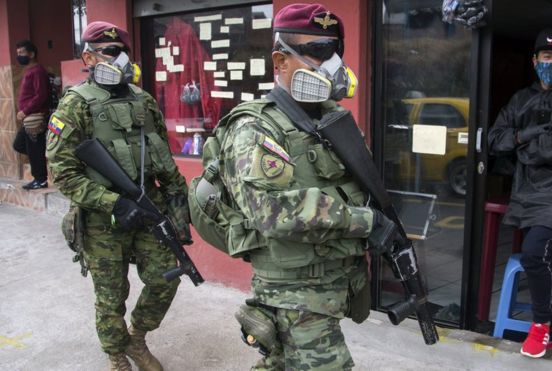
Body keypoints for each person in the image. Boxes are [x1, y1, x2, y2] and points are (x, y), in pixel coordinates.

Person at [202, 3, 401, 370]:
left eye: (336, 51)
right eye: (319, 53)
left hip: (333, 280)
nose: (332, 64)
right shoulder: (256, 128)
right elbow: (270, 212)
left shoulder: (334, 119)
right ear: (280, 62)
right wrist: (364, 222)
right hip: (291, 291)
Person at [46, 21, 192, 371]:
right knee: (111, 296)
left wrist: (179, 210)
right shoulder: (76, 105)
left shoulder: (142, 101)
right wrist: (113, 202)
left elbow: (163, 158)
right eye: (112, 53)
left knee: (164, 279)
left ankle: (136, 338)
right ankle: (116, 355)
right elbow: (63, 173)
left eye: (124, 52)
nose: (121, 60)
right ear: (89, 57)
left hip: (148, 210)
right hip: (101, 219)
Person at [488, 28, 552, 358]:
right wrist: (524, 135)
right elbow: (493, 139)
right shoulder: (522, 98)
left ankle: (542, 325)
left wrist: (519, 147)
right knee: (546, 255)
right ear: (535, 60)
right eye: (547, 56)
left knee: (536, 250)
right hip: (527, 189)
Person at [14, 40, 50, 190]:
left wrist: (25, 111)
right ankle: (41, 160)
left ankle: (40, 179)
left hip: (35, 118)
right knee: (20, 144)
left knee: (35, 149)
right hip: (28, 119)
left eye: (22, 52)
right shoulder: (29, 70)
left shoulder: (38, 71)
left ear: (32, 54)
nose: (19, 56)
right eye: (18, 54)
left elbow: (41, 95)